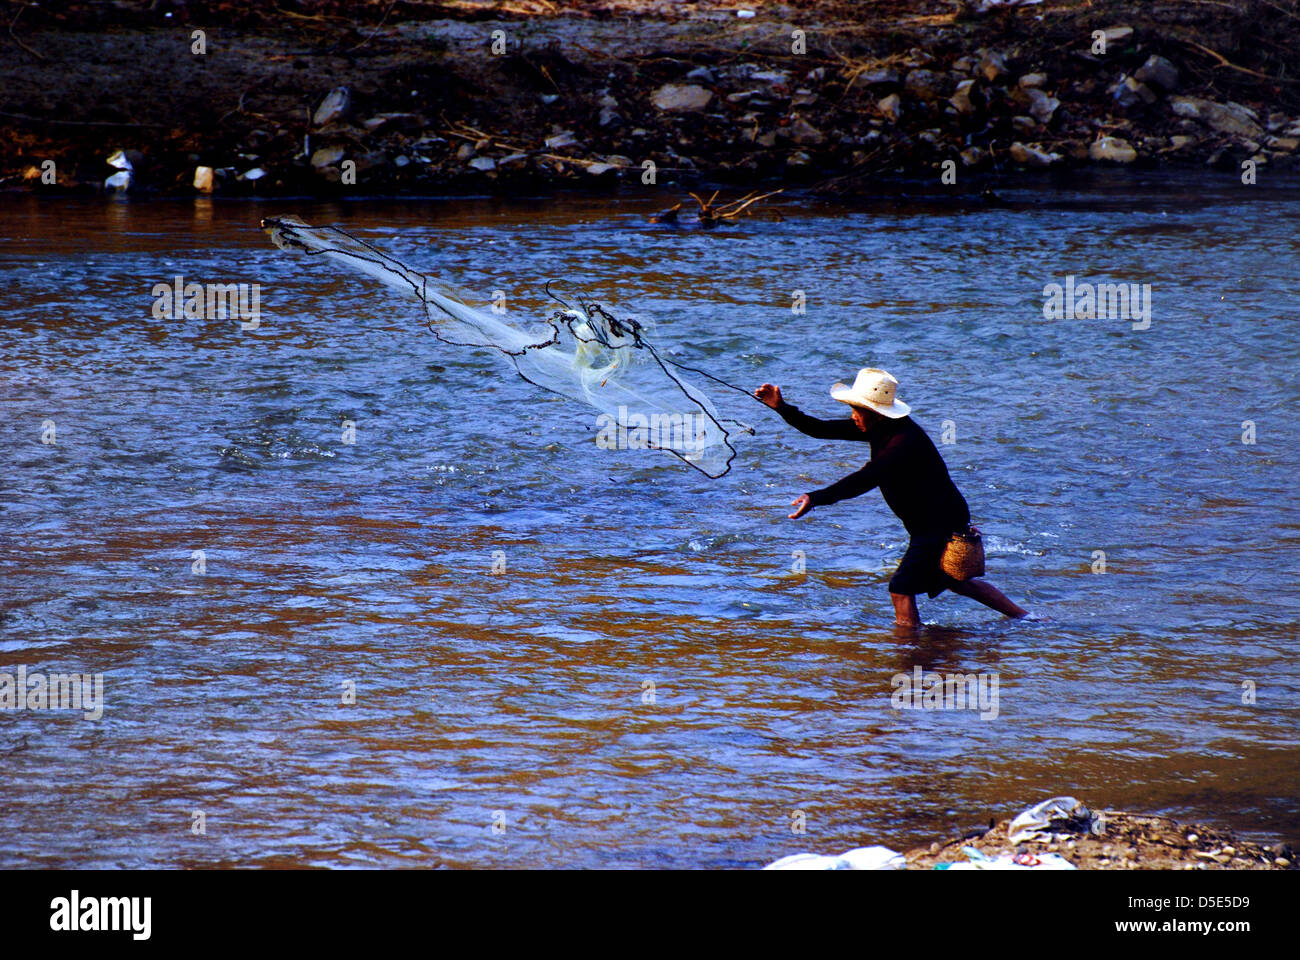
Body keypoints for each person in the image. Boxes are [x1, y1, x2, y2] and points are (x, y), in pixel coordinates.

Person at [756, 367, 1028, 628]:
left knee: (901, 587)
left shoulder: (903, 442)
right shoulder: (878, 427)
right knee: (956, 582)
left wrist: (815, 498)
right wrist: (781, 407)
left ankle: (908, 647)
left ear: (876, 413)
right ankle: (1027, 619)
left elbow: (863, 479)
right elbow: (820, 429)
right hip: (935, 521)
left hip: (938, 524)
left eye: (856, 410)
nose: (852, 416)